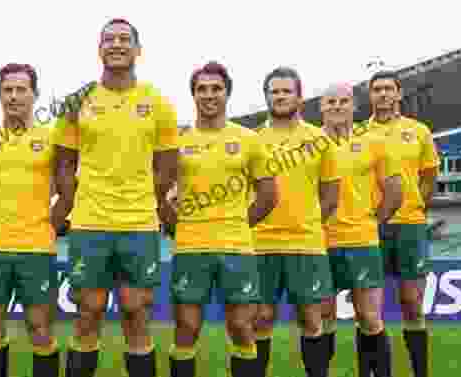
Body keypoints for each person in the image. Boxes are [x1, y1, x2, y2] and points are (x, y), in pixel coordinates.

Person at [52, 18, 179, 377]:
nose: (117, 45)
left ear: (138, 50)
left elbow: (167, 168)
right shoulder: (77, 101)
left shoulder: (157, 101)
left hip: (138, 224)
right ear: (99, 49)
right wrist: (74, 201)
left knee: (135, 310)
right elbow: (63, 163)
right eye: (109, 39)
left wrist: (142, 199)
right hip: (90, 223)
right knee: (87, 310)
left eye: (125, 39)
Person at [168, 62, 278, 377]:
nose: (209, 95)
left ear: (227, 93)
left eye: (216, 88)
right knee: (187, 328)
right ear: (193, 95)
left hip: (237, 249)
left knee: (242, 327)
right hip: (190, 249)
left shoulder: (248, 140)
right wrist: (176, 224)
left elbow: (268, 196)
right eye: (201, 89)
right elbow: (157, 189)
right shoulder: (178, 141)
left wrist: (239, 225)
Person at [0, 63, 60, 377]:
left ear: (35, 94)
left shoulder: (53, 140)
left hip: (37, 250)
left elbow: (68, 192)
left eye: (21, 89)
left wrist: (46, 225)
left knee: (40, 329)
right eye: (8, 90)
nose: (14, 96)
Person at [253, 67, 340, 377]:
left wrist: (309, 223)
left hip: (306, 245)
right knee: (260, 318)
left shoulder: (318, 139)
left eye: (286, 91)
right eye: (274, 91)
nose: (280, 96)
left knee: (311, 319)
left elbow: (330, 195)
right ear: (266, 97)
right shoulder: (253, 139)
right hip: (260, 245)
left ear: (300, 97)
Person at [318, 82, 403, 377]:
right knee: (321, 319)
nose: (337, 106)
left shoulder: (375, 142)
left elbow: (394, 192)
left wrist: (371, 223)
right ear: (321, 107)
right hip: (319, 244)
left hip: (361, 243)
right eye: (331, 102)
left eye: (343, 101)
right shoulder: (306, 146)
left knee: (369, 317)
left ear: (354, 106)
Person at [365, 70, 440, 377]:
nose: (383, 94)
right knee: (369, 310)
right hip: (371, 227)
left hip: (409, 225)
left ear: (398, 94)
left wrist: (418, 205)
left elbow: (429, 176)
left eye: (388, 89)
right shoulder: (358, 134)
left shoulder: (419, 131)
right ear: (370, 96)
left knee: (411, 302)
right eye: (377, 89)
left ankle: (419, 372)